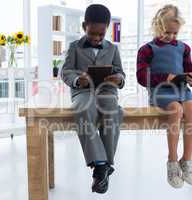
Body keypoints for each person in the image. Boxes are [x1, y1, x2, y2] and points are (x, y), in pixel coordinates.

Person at [60, 4, 125, 194]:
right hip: (83, 92)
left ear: (107, 29)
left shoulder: (112, 49)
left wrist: (118, 79)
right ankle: (101, 164)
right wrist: (78, 80)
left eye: (101, 35)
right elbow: (66, 71)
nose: (96, 39)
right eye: (92, 34)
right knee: (82, 109)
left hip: (107, 91)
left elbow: (120, 72)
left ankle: (102, 166)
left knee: (113, 109)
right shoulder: (74, 47)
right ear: (84, 26)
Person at [136, 4, 192, 188]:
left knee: (190, 107)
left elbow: (189, 71)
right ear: (157, 26)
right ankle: (172, 162)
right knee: (176, 109)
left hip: (182, 89)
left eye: (175, 33)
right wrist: (166, 77)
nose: (171, 36)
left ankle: (186, 161)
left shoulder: (184, 48)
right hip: (160, 91)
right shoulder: (147, 49)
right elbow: (142, 76)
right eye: (167, 32)